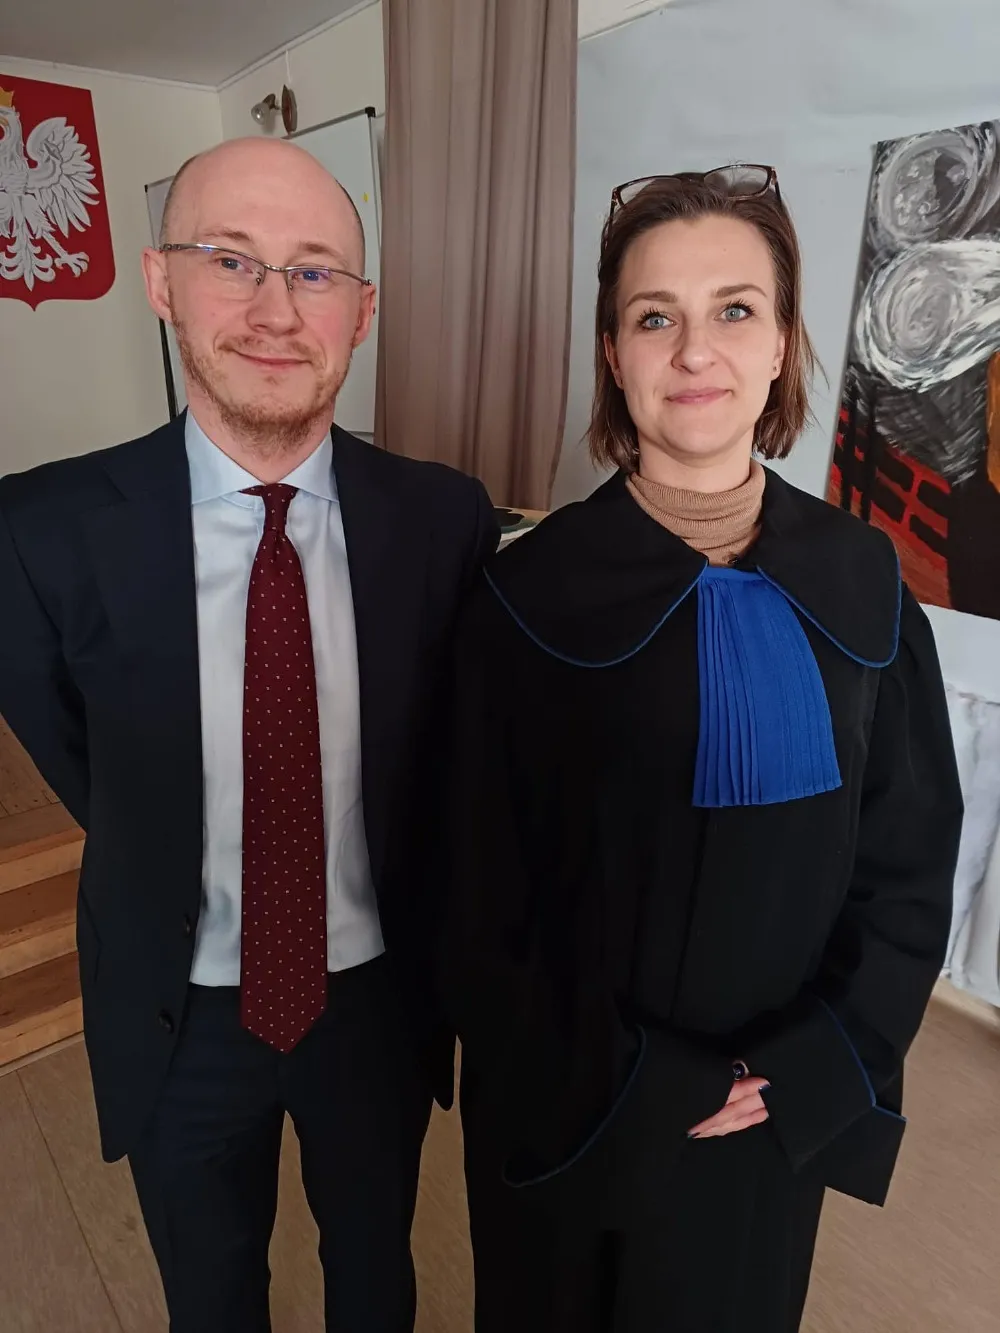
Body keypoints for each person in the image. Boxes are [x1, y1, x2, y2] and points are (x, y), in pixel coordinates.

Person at [439, 167, 964, 1332]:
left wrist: (817, 1056)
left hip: (774, 1107)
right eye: (652, 316)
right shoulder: (523, 599)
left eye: (734, 309)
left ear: (780, 344)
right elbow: (475, 896)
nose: (694, 351)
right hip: (578, 1107)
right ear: (612, 354)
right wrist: (642, 1077)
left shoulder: (864, 580)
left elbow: (908, 858)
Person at [0, 136, 497, 1333]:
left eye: (314, 271)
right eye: (232, 260)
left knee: (374, 1269)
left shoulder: (445, 519)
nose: (276, 310)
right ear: (161, 282)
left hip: (376, 994)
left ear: (361, 312)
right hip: (176, 1005)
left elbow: (453, 763)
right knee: (211, 1293)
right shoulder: (38, 529)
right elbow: (92, 763)